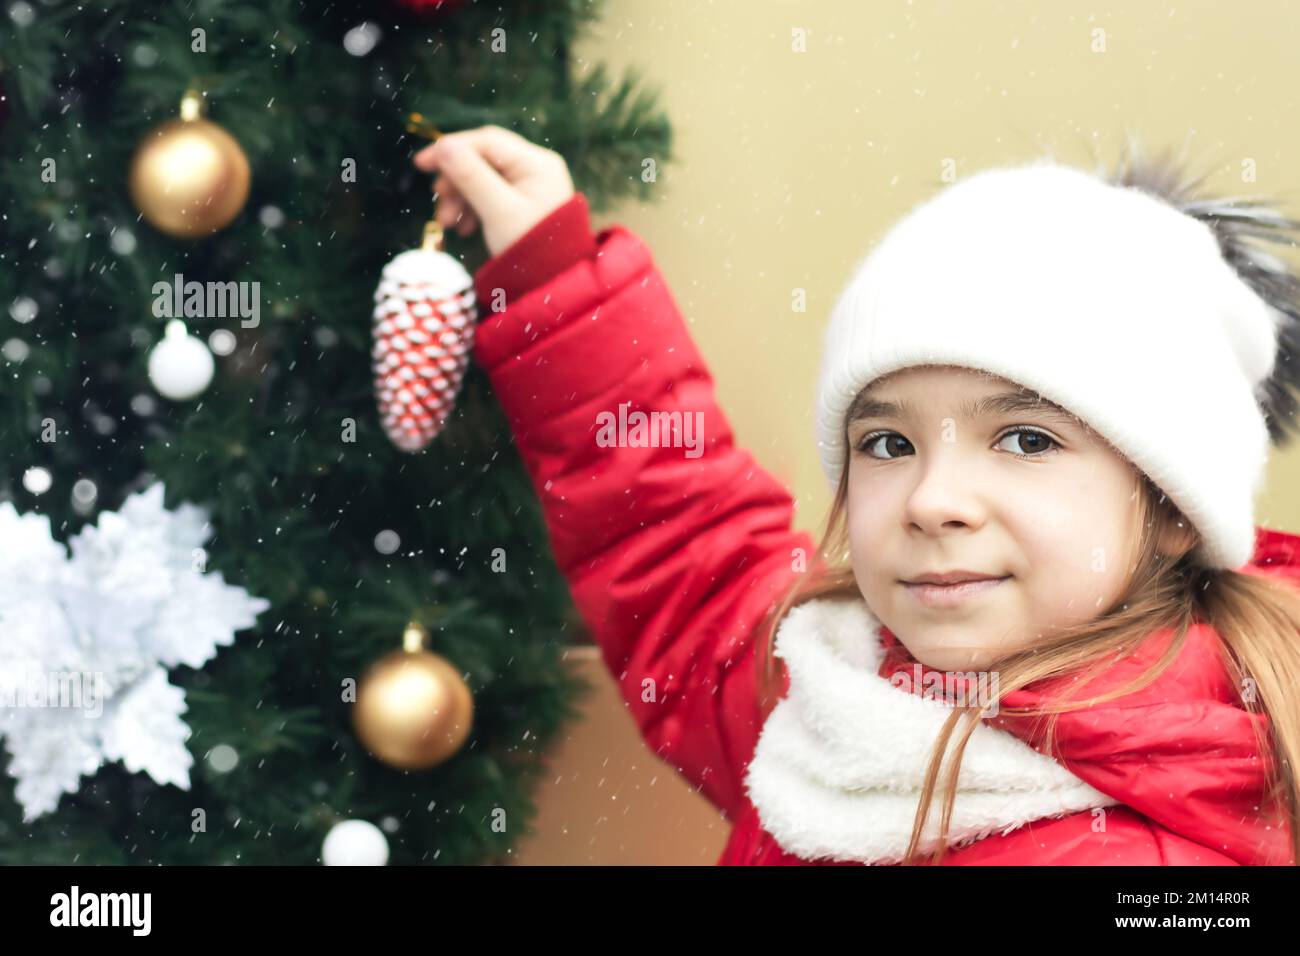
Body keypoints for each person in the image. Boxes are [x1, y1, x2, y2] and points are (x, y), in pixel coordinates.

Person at [414, 127, 1300, 865]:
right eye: (889, 443)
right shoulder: (827, 688)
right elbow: (686, 557)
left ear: (1175, 509)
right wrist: (553, 275)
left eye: (1026, 440)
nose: (933, 499)